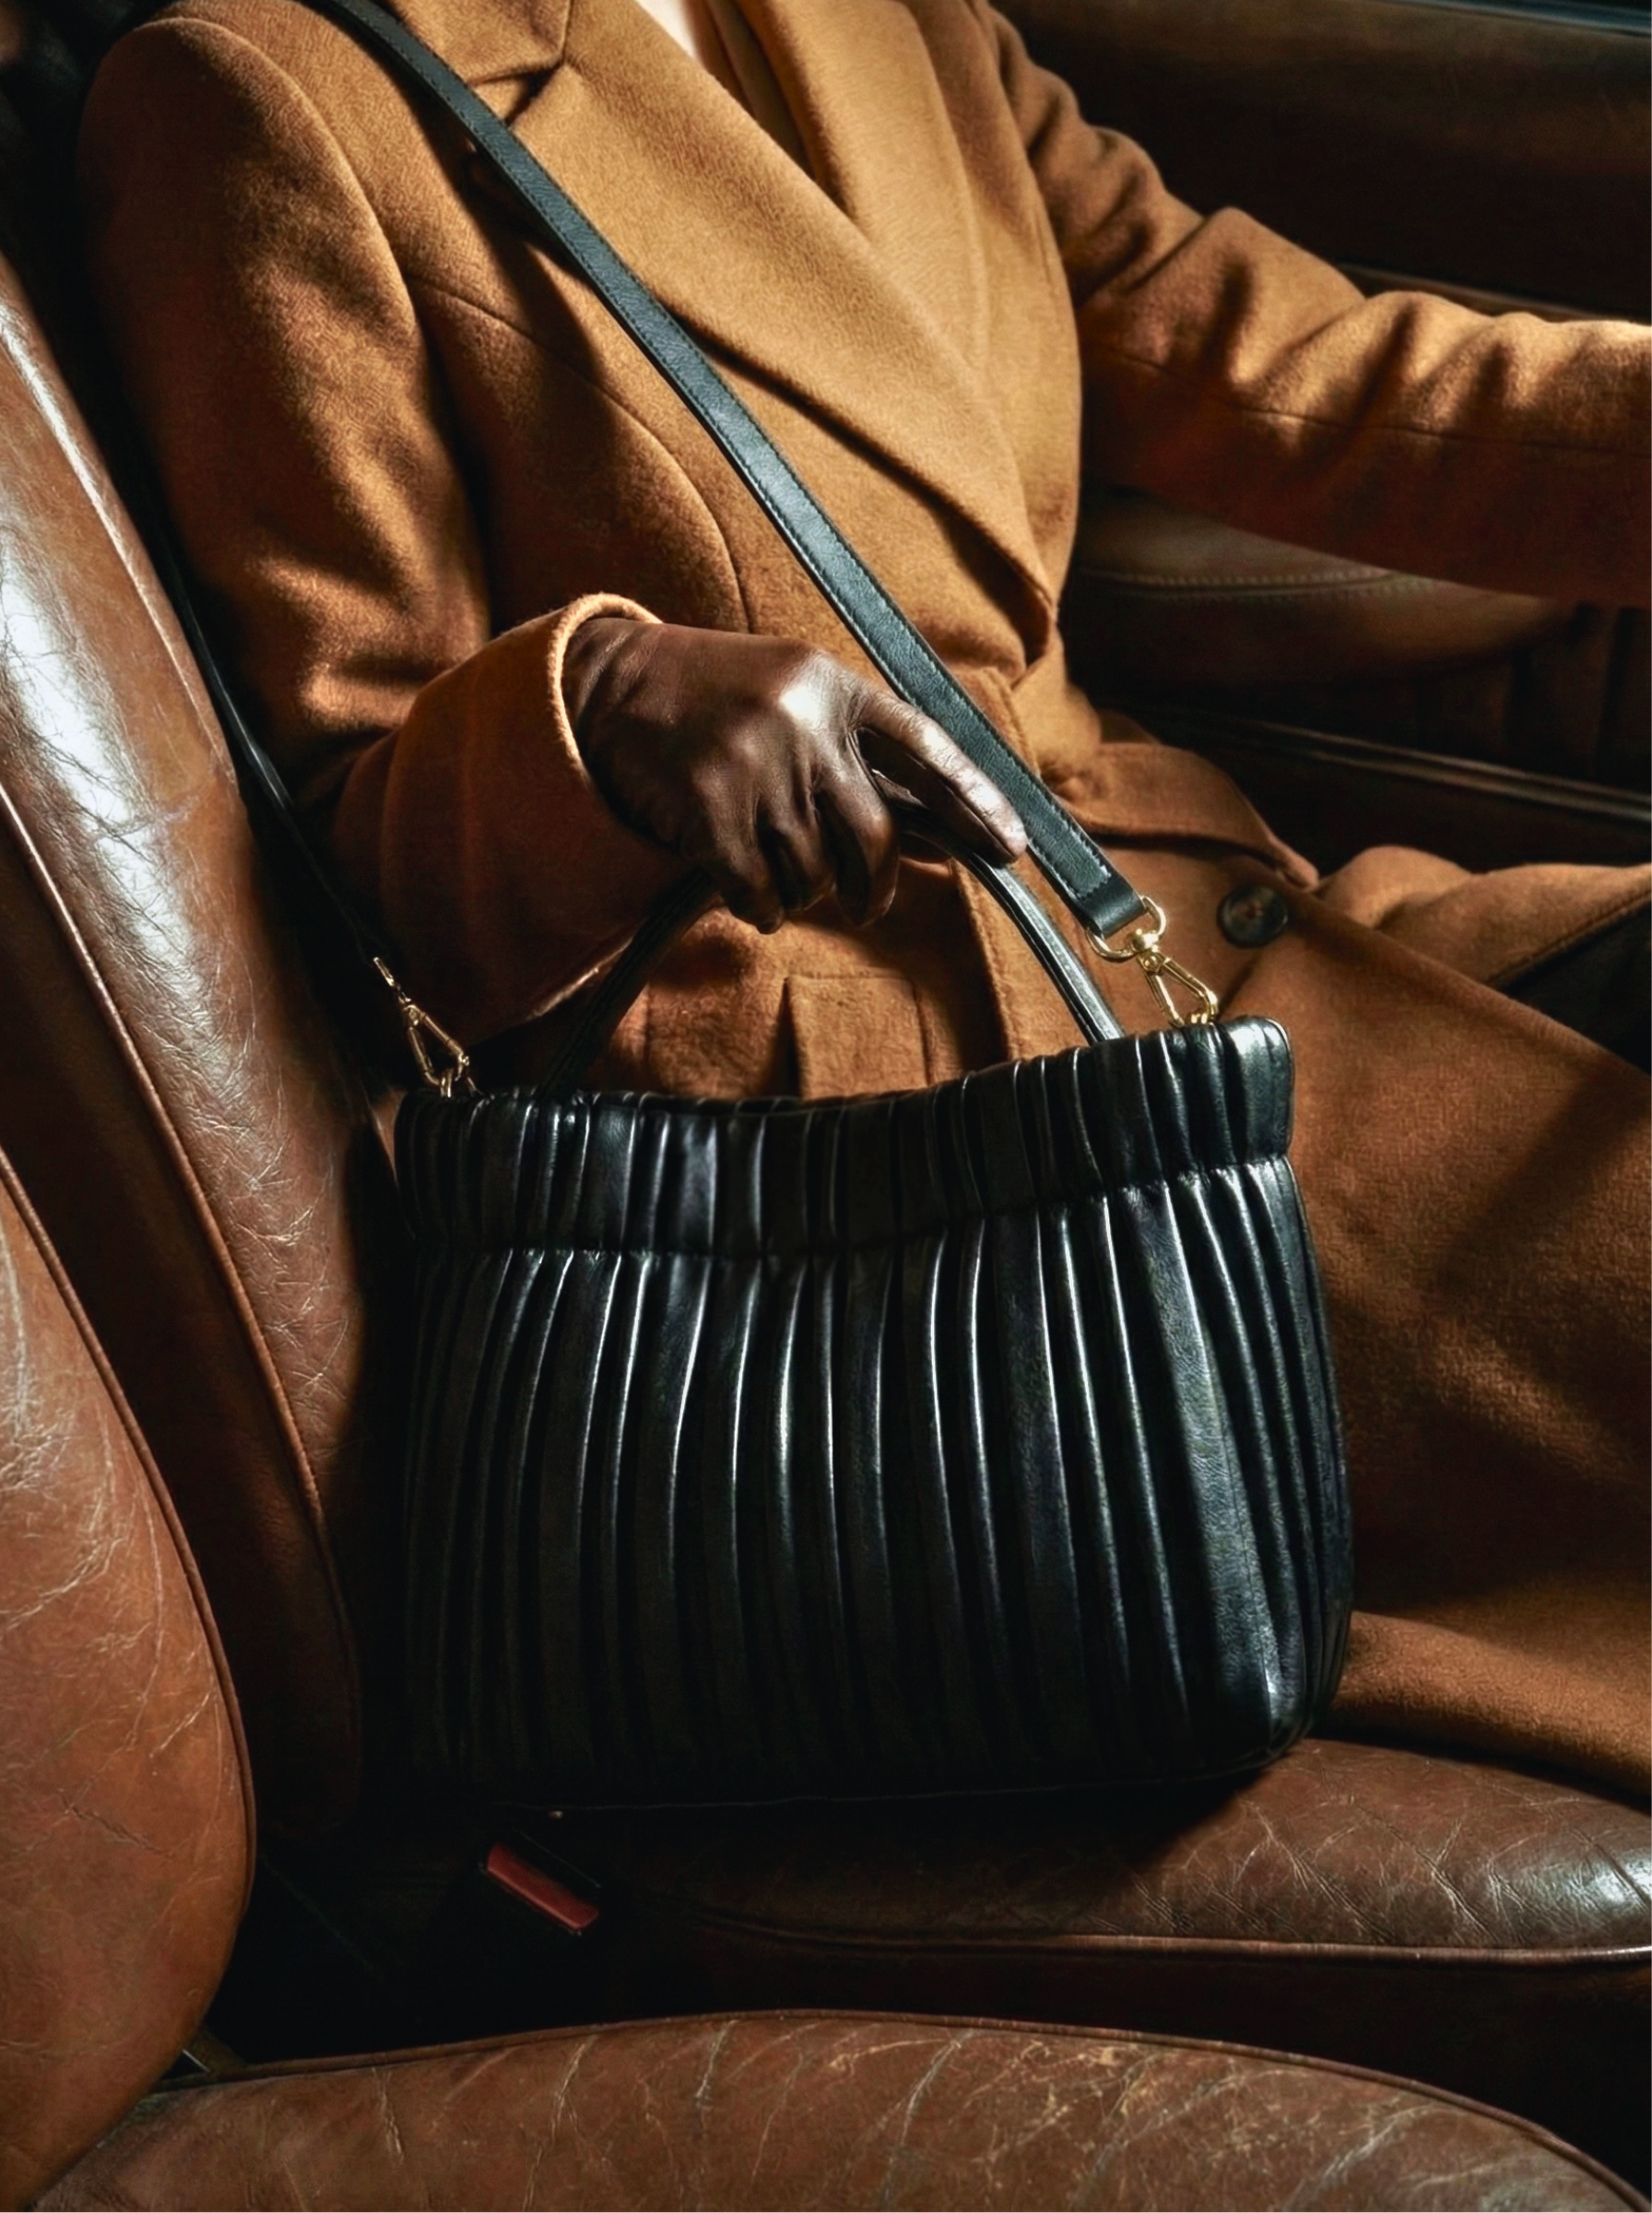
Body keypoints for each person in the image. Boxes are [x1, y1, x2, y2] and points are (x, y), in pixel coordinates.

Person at [77, 0, 1649, 1793]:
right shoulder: (257, 92)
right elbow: (346, 868)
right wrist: (596, 710)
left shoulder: (897, 15)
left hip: (1183, 932)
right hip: (921, 1167)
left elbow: (1296, 370)